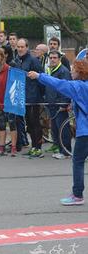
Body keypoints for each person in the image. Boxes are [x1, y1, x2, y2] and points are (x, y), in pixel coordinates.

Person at [28, 60, 88, 206]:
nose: (71, 72)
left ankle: (77, 194)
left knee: (78, 161)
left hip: (85, 132)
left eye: (73, 70)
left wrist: (39, 76)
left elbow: (58, 84)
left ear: (80, 72)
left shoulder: (78, 86)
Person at [14, 39, 44, 158]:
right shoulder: (17, 61)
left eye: (22, 47)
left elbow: (41, 78)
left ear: (27, 47)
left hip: (34, 97)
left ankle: (38, 148)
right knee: (29, 124)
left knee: (35, 123)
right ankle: (33, 147)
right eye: (18, 47)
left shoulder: (33, 60)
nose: (20, 49)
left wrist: (40, 95)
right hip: (23, 97)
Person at [42, 50, 72, 159]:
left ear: (59, 59)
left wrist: (64, 105)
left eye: (55, 58)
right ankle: (61, 150)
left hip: (60, 105)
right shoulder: (50, 70)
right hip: (52, 105)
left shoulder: (63, 71)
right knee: (55, 130)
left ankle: (66, 152)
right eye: (51, 58)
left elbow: (66, 89)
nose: (53, 60)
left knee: (63, 130)